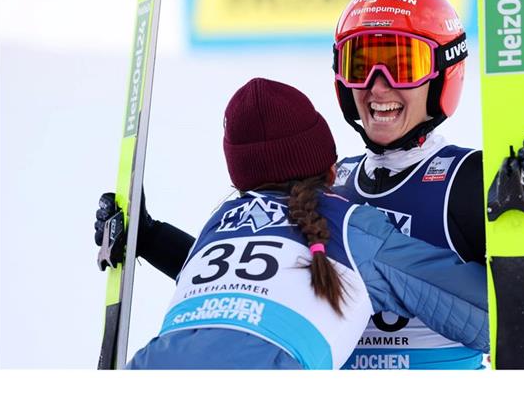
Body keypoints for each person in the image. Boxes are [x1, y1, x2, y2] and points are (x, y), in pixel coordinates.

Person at [95, 0, 524, 370]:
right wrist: (149, 236)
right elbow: (254, 285)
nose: (377, 87)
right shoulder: (331, 184)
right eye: (361, 64)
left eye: (402, 65)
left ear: (441, 74)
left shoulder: (463, 176)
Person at [126, 78, 489, 369]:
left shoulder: (221, 221)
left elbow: (240, 293)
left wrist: (149, 237)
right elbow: (486, 317)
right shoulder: (352, 229)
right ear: (331, 170)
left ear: (239, 179)